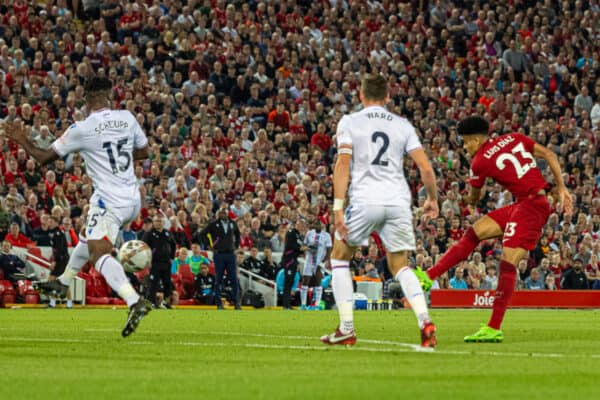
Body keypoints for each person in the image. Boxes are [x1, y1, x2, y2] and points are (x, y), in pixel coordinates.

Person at [3, 77, 153, 337]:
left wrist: (21, 140)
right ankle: (63, 282)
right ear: (108, 96)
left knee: (98, 253)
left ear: (86, 99)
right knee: (88, 235)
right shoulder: (127, 118)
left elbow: (42, 158)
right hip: (132, 197)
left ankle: (133, 300)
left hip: (111, 200)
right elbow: (144, 152)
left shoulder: (81, 129)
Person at [418, 115, 573, 343]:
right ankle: (428, 277)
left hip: (530, 207)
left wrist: (469, 202)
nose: (465, 147)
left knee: (507, 263)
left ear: (477, 139)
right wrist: (561, 188)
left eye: (466, 142)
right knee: (475, 232)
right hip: (526, 203)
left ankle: (493, 327)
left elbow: (474, 195)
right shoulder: (514, 137)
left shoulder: (480, 161)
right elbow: (549, 154)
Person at [322, 74, 439, 348]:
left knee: (339, 258)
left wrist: (338, 207)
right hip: (398, 201)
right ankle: (425, 321)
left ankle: (347, 328)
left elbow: (342, 164)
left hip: (365, 200)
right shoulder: (402, 125)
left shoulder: (350, 122)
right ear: (387, 97)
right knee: (400, 265)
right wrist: (432, 199)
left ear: (361, 95)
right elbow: (426, 168)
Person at [199, 206, 241, 309]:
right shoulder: (213, 224)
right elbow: (202, 234)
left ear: (227, 213)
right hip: (219, 254)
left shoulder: (232, 224)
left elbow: (238, 235)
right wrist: (208, 245)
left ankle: (236, 303)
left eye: (224, 212)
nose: (223, 214)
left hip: (231, 254)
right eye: (221, 213)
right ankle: (218, 303)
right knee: (218, 279)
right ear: (218, 214)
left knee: (234, 279)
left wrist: (236, 246)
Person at [143, 215, 177, 308]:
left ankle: (166, 302)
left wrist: (172, 258)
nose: (159, 223)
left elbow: (173, 245)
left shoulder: (167, 233)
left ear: (163, 222)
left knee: (167, 283)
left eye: (160, 221)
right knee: (154, 283)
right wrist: (148, 260)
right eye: (157, 221)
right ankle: (152, 303)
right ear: (153, 223)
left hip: (166, 262)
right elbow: (144, 248)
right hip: (154, 262)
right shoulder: (149, 234)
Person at [300, 219, 331, 310]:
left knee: (318, 281)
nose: (317, 225)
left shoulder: (326, 235)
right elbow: (303, 246)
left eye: (319, 223)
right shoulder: (309, 233)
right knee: (305, 280)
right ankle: (303, 305)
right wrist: (309, 247)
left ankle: (317, 305)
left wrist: (322, 262)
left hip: (319, 261)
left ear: (322, 224)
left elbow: (329, 251)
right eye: (315, 223)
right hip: (309, 260)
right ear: (313, 224)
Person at [280, 218, 308, 309]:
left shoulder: (299, 235)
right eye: (300, 224)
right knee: (287, 282)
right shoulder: (291, 232)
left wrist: (302, 251)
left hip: (294, 260)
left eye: (303, 225)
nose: (302, 226)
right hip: (288, 260)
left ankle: (288, 304)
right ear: (296, 224)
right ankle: (285, 305)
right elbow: (290, 246)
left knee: (290, 282)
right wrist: (301, 249)